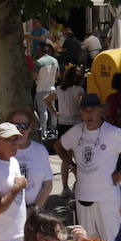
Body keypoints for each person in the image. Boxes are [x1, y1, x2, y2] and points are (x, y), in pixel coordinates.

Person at [60, 93, 121, 241]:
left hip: (107, 198)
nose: (89, 113)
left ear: (100, 110)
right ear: (81, 113)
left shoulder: (113, 132)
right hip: (83, 196)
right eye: (85, 110)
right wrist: (71, 164)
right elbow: (59, 146)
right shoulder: (76, 131)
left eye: (93, 109)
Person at [47, 65, 87, 194]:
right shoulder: (79, 90)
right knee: (78, 156)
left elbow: (46, 100)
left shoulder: (59, 89)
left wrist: (55, 113)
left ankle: (65, 187)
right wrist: (80, 115)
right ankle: (80, 184)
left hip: (62, 124)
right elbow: (83, 106)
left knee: (65, 157)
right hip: (76, 124)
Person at [9, 107, 54, 211]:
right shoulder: (4, 151)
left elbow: (48, 184)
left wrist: (33, 209)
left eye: (23, 126)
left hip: (36, 212)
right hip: (11, 214)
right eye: (15, 126)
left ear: (30, 128)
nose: (19, 130)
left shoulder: (40, 150)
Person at [33, 43, 59, 137]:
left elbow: (34, 76)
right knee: (52, 109)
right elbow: (58, 75)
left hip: (41, 89)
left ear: (41, 51)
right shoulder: (55, 61)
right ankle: (53, 128)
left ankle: (43, 131)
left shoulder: (38, 62)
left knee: (43, 111)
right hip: (52, 88)